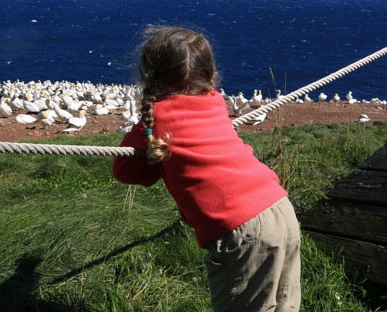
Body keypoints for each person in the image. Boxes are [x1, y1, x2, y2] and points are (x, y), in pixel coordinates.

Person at [112, 26, 300, 312]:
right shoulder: (216, 102)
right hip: (280, 207)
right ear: (211, 75)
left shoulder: (157, 119)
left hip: (243, 230)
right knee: (285, 306)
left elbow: (124, 171)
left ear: (149, 76)